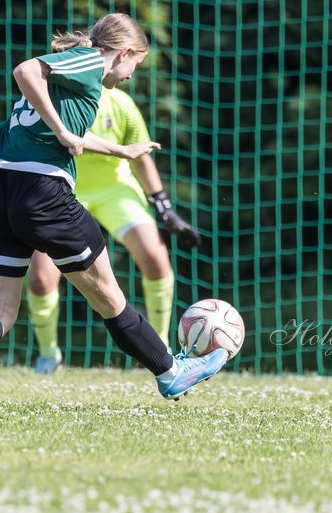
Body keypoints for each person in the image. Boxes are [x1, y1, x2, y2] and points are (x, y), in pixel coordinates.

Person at [0, 13, 227, 411]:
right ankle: (171, 374)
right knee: (110, 298)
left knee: (0, 309)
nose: (129, 76)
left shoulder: (74, 77)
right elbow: (24, 71)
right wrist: (62, 132)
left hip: (1, 190)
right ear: (123, 52)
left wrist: (119, 151)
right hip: (45, 193)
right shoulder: (90, 60)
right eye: (134, 65)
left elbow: (69, 128)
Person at [26, 84, 201, 374]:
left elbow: (141, 157)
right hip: (64, 189)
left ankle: (159, 348)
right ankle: (48, 355)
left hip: (115, 190)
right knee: (41, 280)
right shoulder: (55, 102)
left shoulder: (120, 103)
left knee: (156, 259)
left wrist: (164, 208)